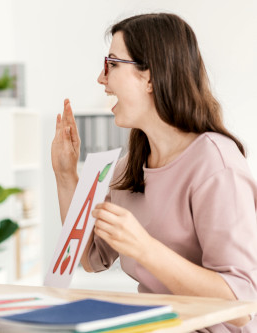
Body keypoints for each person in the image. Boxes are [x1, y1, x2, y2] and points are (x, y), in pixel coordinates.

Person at [51, 13, 257, 332]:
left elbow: (241, 305)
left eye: (113, 64)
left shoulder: (216, 164)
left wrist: (145, 248)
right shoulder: (131, 165)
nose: (101, 79)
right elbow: (89, 258)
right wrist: (66, 176)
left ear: (150, 77)